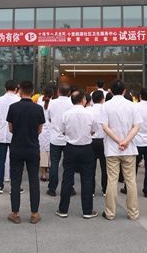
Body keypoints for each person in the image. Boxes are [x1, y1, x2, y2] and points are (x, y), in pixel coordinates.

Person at [101, 79, 142, 221]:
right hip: (129, 149)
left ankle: (110, 212)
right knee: (130, 181)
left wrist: (119, 141)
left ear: (111, 91)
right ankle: (133, 213)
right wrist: (125, 141)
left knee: (112, 180)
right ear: (124, 91)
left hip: (112, 149)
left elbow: (105, 127)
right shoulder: (132, 106)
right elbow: (136, 127)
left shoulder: (106, 106)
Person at [6, 80, 45, 224]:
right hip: (33, 148)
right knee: (34, 181)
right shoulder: (38, 109)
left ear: (20, 91)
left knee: (16, 181)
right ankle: (34, 213)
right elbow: (39, 129)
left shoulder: (13, 107)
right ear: (32, 91)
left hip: (16, 147)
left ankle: (15, 213)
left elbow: (11, 128)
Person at [55, 90, 98, 219]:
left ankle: (63, 210)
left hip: (70, 148)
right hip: (86, 148)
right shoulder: (90, 114)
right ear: (83, 100)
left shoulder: (66, 114)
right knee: (87, 179)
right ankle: (87, 211)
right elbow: (94, 130)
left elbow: (62, 131)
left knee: (67, 179)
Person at [0, 80, 20, 193]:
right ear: (16, 89)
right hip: (14, 132)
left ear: (5, 88)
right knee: (15, 161)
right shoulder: (18, 100)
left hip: (0, 132)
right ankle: (15, 186)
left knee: (0, 160)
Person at [46, 83, 73, 197]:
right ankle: (69, 188)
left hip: (55, 138)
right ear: (69, 93)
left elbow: (49, 118)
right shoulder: (72, 103)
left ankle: (52, 188)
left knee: (54, 164)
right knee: (69, 165)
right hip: (69, 139)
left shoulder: (52, 103)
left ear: (58, 92)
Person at [133, 87, 147, 198]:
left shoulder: (135, 107)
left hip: (136, 141)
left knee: (133, 167)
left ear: (140, 96)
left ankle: (129, 188)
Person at [87, 90, 107, 196]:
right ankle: (105, 189)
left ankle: (91, 190)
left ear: (92, 99)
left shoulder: (88, 110)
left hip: (92, 140)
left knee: (91, 167)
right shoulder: (106, 109)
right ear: (103, 99)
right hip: (104, 140)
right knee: (105, 167)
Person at [38, 86, 54, 182]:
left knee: (43, 153)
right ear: (52, 94)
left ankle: (43, 174)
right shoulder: (54, 104)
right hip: (52, 129)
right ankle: (51, 171)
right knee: (52, 152)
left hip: (42, 130)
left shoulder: (39, 104)